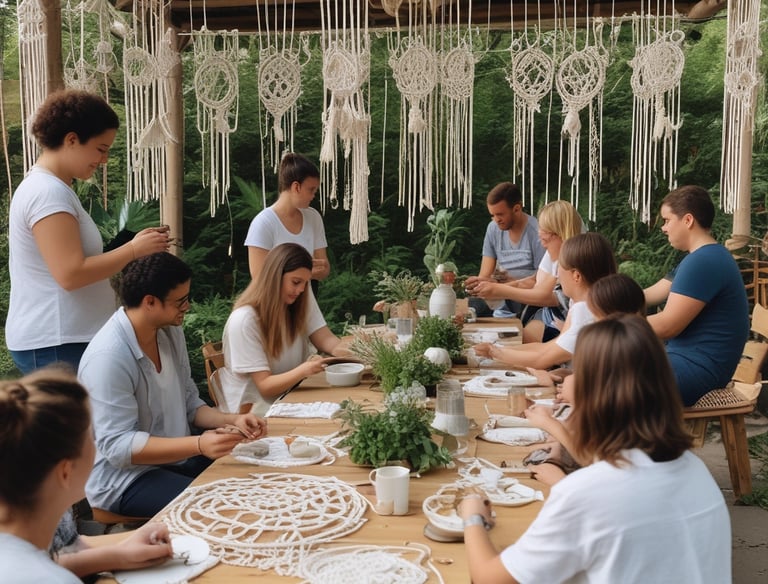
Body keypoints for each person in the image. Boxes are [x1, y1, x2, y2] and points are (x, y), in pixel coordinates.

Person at [458, 315, 731, 584]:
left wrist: (472, 516)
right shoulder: (694, 469)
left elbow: (488, 578)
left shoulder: (588, 492)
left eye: (577, 374)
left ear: (591, 395)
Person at [78, 252, 267, 517]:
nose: (187, 306)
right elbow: (118, 447)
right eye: (180, 301)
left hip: (177, 459)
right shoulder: (108, 358)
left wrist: (234, 420)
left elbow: (189, 401)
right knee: (225, 506)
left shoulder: (170, 332)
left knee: (257, 474)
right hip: (124, 481)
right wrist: (199, 445)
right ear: (150, 302)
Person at [6, 89, 170, 375]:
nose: (103, 160)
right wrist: (133, 250)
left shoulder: (54, 189)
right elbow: (70, 274)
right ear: (71, 140)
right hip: (56, 343)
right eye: (100, 149)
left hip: (65, 339)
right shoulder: (46, 193)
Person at [0, 369, 173, 583]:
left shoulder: (33, 515)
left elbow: (54, 558)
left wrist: (121, 554)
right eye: (91, 437)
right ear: (66, 472)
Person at [645, 185, 749, 406]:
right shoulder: (702, 257)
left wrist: (613, 326)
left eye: (666, 220)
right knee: (603, 370)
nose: (663, 228)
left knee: (608, 376)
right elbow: (652, 294)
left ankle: (574, 435)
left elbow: (667, 326)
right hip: (687, 364)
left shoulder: (704, 261)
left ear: (688, 220)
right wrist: (607, 295)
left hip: (696, 371)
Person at [218, 243, 350, 415]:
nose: (301, 290)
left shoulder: (293, 307)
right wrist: (304, 369)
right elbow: (265, 387)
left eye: (305, 284)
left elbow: (327, 339)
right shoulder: (244, 320)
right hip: (255, 418)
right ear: (274, 276)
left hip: (289, 403)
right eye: (296, 282)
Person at [473, 232, 616, 370]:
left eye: (559, 268)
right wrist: (497, 349)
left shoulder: (585, 311)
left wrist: (494, 352)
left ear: (576, 276)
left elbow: (542, 358)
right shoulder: (584, 304)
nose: (556, 275)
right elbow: (547, 347)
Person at [466, 200, 583, 342]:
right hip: (550, 318)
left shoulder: (574, 262)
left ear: (560, 233)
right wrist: (492, 288)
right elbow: (535, 281)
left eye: (545, 236)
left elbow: (549, 297)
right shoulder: (555, 250)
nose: (541, 241)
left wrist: (499, 290)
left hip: (565, 325)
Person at [245, 152, 330, 284]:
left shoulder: (313, 218)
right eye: (311, 190)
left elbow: (324, 268)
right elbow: (259, 278)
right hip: (274, 302)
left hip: (308, 299)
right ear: (296, 187)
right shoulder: (263, 223)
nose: (313, 196)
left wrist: (321, 269)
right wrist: (302, 273)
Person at [463, 182, 545, 318]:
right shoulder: (493, 229)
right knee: (471, 307)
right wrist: (478, 284)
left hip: (528, 298)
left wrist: (502, 286)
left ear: (517, 209)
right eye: (492, 215)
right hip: (501, 297)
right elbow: (485, 274)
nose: (496, 220)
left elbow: (541, 281)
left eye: (500, 214)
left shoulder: (537, 232)